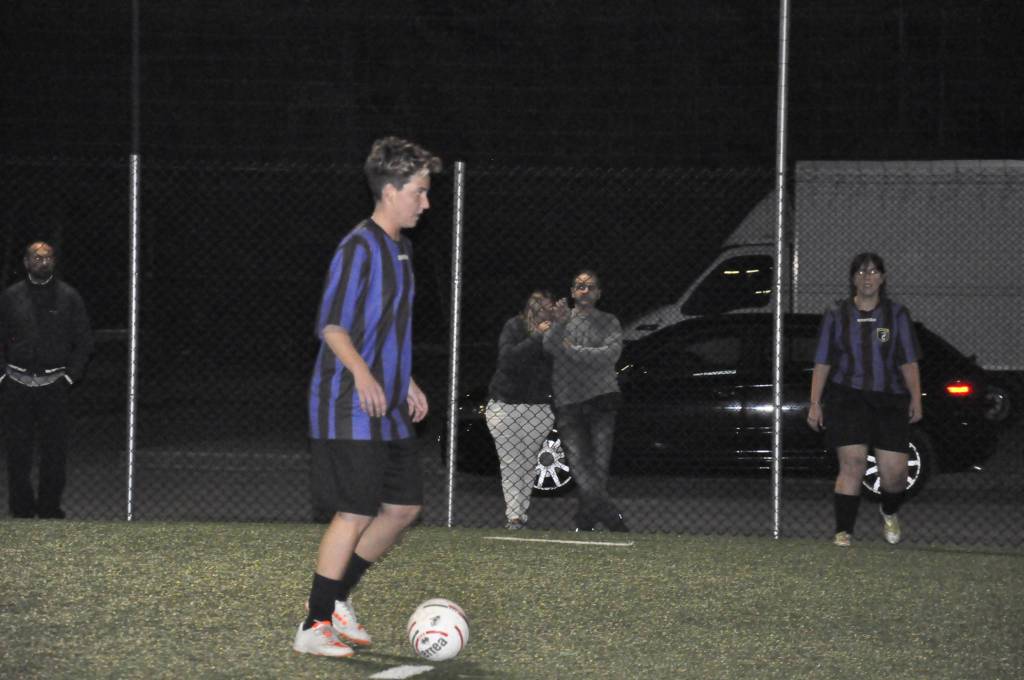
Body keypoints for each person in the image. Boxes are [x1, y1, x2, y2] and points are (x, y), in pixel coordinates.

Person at [293, 136, 441, 658]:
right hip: (348, 403)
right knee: (354, 510)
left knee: (403, 507)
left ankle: (336, 600)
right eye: (420, 191)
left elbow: (388, 330)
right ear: (392, 189)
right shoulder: (358, 247)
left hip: (388, 403)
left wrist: (407, 380)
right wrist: (364, 375)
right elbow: (332, 327)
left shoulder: (402, 248)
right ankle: (314, 624)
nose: (427, 202)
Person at [807, 252, 923, 547]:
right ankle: (843, 531)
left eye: (872, 272)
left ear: (882, 278)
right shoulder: (836, 314)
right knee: (853, 463)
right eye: (860, 272)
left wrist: (915, 399)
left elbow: (908, 362)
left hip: (890, 399)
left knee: (894, 475)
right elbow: (823, 361)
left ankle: (890, 511)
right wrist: (815, 402)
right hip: (848, 397)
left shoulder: (896, 314)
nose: (867, 277)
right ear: (852, 279)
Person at [0, 242, 93, 519]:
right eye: (37, 257)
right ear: (26, 262)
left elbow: (84, 341)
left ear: (54, 261)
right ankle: (22, 509)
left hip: (54, 387)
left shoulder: (68, 297)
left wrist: (69, 377)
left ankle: (50, 508)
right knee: (18, 453)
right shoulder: (11, 296)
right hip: (17, 385)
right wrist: (3, 374)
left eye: (48, 257)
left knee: (54, 453)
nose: (43, 262)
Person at [543, 269, 628, 532]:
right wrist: (559, 324)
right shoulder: (561, 321)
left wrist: (573, 350)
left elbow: (608, 355)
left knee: (599, 466)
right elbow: (550, 347)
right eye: (579, 286)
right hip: (569, 401)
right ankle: (610, 517)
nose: (584, 290)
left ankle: (585, 518)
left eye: (590, 286)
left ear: (599, 293)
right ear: (571, 292)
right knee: (579, 465)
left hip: (601, 400)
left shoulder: (609, 322)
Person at [485, 290, 556, 530]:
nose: (544, 312)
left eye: (548, 307)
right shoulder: (514, 327)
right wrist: (536, 336)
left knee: (526, 463)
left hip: (538, 408)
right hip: (506, 405)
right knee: (511, 460)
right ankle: (514, 516)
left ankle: (518, 515)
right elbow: (508, 359)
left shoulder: (555, 331)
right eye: (539, 307)